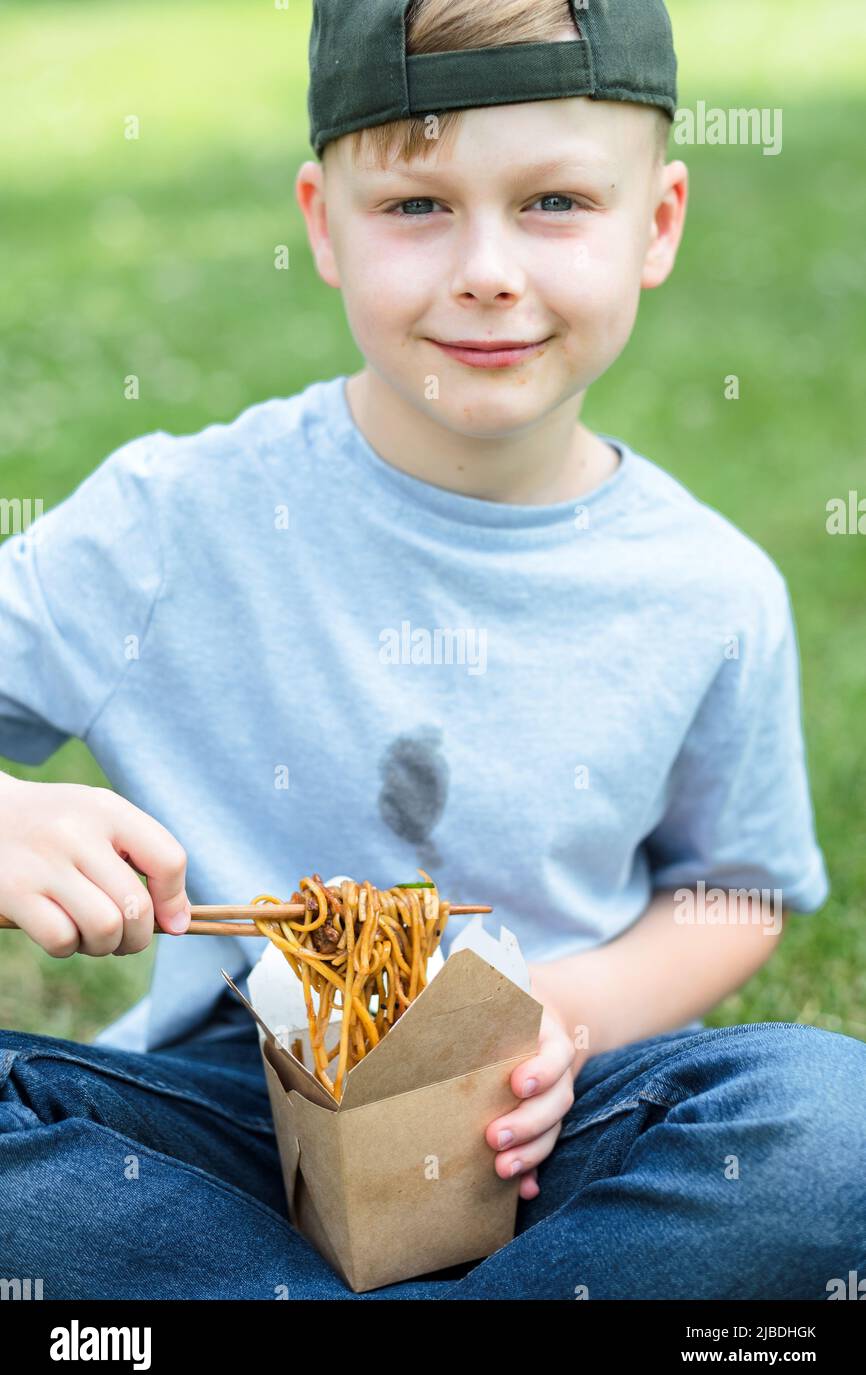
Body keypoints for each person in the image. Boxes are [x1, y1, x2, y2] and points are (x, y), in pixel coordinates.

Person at [0, 0, 863, 1300]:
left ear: (659, 223)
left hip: (546, 1119)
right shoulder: (171, 519)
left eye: (555, 200)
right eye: (415, 206)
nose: (487, 268)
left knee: (828, 1124)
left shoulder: (707, 588)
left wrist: (566, 1017)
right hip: (229, 1113)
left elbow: (728, 890)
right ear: (320, 223)